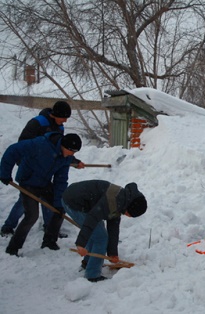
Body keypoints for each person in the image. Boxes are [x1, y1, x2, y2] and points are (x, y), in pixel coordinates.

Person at [0, 101, 85, 238]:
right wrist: (25, 166)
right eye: (64, 117)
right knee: (26, 200)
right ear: (55, 114)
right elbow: (21, 145)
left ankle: (49, 227)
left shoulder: (60, 128)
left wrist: (73, 161)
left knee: (48, 199)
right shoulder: (37, 123)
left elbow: (61, 149)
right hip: (30, 168)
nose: (65, 121)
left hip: (46, 170)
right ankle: (8, 227)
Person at [0, 132, 82, 256]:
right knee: (32, 215)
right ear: (65, 147)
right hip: (27, 181)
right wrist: (5, 173)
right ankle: (13, 248)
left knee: (59, 209)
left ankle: (49, 241)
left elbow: (61, 180)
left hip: (44, 183)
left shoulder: (66, 158)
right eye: (72, 151)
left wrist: (58, 203)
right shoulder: (40, 144)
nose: (72, 155)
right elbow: (13, 150)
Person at [62, 180, 147, 282]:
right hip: (73, 202)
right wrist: (81, 244)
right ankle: (92, 275)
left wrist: (112, 253)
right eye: (130, 214)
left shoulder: (122, 200)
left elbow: (113, 228)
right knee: (100, 237)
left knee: (98, 232)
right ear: (130, 208)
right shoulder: (112, 201)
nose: (128, 216)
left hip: (82, 200)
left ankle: (88, 262)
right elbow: (91, 219)